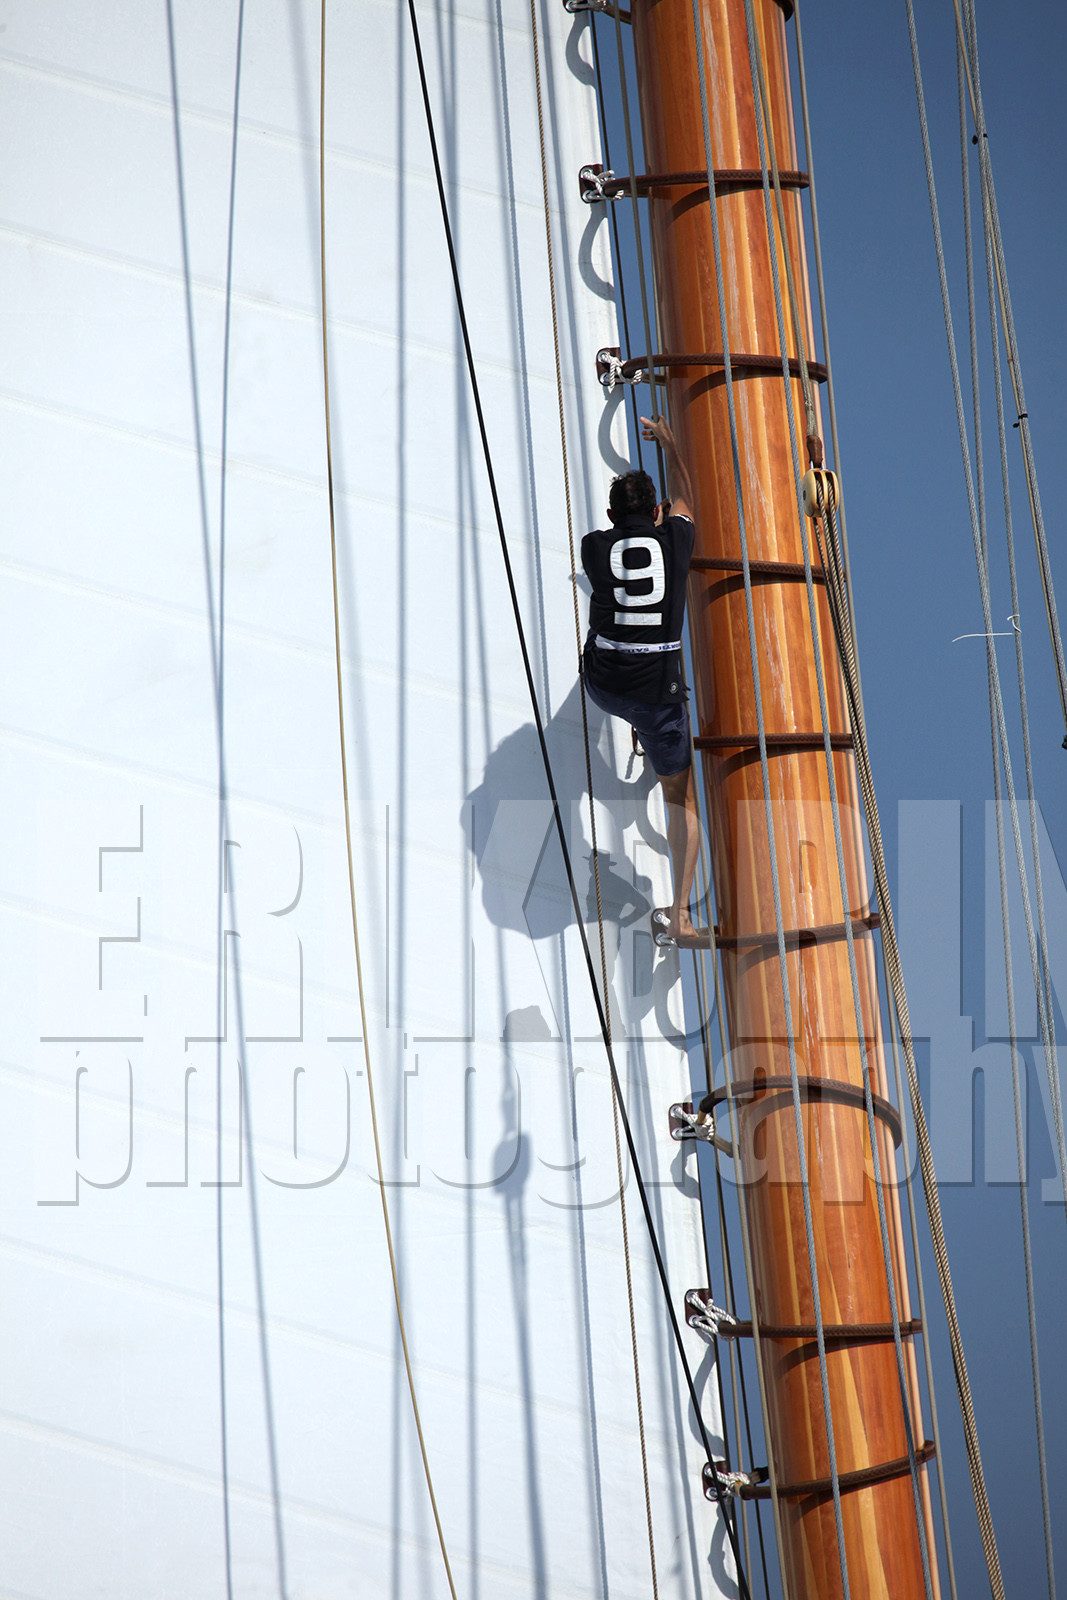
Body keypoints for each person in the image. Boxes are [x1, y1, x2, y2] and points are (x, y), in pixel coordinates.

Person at [580, 414, 708, 949]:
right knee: (682, 797)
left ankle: (635, 720)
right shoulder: (676, 538)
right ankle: (679, 915)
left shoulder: (593, 546)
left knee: (608, 633)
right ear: (656, 513)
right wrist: (674, 445)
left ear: (611, 517)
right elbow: (686, 498)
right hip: (656, 697)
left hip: (605, 684)